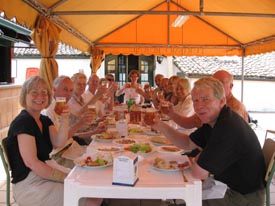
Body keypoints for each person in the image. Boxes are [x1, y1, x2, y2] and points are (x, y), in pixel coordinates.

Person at [151, 77, 266, 206]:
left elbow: (198, 172)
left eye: (206, 99)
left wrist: (200, 158)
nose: (199, 106)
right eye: (195, 100)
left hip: (242, 198)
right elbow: (188, 143)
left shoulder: (227, 126)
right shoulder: (213, 120)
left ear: (221, 101)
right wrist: (160, 126)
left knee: (172, 200)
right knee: (173, 198)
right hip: (224, 187)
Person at [5, 76, 68, 205]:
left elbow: (58, 143)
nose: (40, 97)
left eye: (44, 92)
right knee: (82, 195)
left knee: (84, 188)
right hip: (28, 184)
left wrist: (65, 119)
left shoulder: (44, 120)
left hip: (43, 174)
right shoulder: (23, 122)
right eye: (34, 92)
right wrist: (64, 178)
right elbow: (31, 163)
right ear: (25, 96)